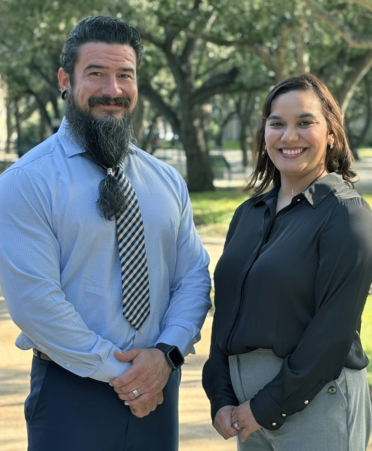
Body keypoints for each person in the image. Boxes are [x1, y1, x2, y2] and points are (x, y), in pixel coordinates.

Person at [0, 16, 211, 451]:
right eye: (96, 73)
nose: (112, 90)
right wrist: (128, 375)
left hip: (158, 392)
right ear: (65, 80)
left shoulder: (167, 181)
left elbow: (193, 277)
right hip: (70, 395)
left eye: (125, 76)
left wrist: (167, 354)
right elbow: (36, 303)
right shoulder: (27, 181)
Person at [202, 73, 372, 451]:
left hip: (314, 402)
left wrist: (267, 406)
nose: (289, 136)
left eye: (305, 123)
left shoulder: (347, 215)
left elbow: (332, 333)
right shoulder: (247, 214)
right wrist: (220, 392)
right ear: (264, 134)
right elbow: (226, 309)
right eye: (277, 123)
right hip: (248, 410)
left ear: (331, 133)